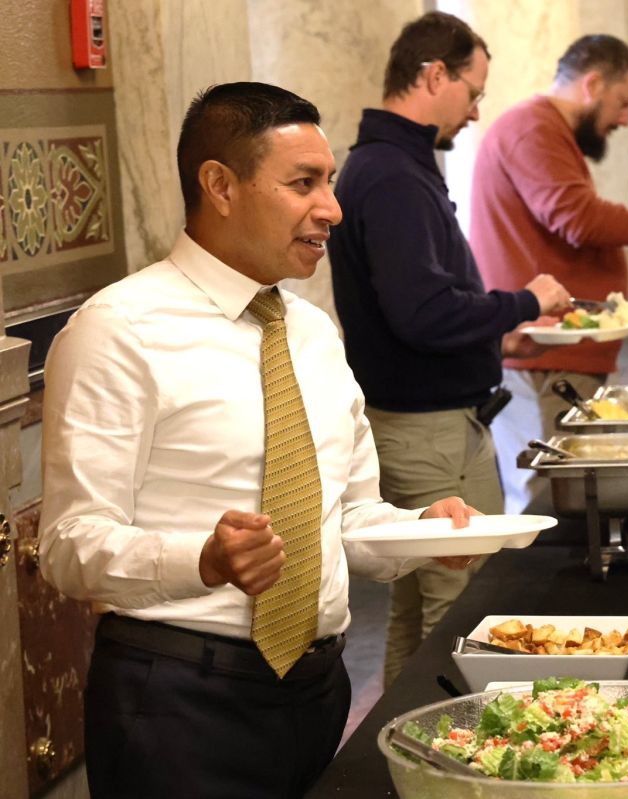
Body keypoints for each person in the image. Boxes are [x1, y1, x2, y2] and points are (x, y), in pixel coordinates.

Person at [38, 82, 483, 798]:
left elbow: (346, 521)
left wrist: (419, 532)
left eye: (329, 181)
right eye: (303, 183)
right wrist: (204, 558)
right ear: (219, 185)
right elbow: (66, 545)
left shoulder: (312, 332)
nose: (331, 209)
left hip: (316, 693)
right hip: (178, 701)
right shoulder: (118, 329)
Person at [327, 12, 572, 686]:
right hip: (429, 432)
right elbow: (424, 313)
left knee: (418, 609)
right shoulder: (392, 176)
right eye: (473, 91)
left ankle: (402, 755)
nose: (474, 111)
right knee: (462, 615)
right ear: (433, 74)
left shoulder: (396, 165)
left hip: (422, 421)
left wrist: (494, 327)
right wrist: (525, 301)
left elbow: (423, 303)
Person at [470, 34, 628, 515]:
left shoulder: (549, 132)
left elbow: (554, 239)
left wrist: (627, 286)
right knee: (547, 504)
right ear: (593, 83)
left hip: (560, 356)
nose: (624, 119)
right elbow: (577, 218)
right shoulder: (532, 129)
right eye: (623, 103)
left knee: (571, 497)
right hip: (541, 356)